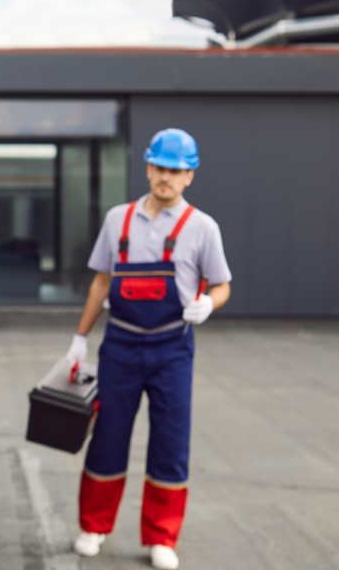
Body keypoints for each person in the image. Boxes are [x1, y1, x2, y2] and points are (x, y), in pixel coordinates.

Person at [65, 129, 232, 569]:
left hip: (172, 349)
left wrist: (207, 304)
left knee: (170, 442)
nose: (165, 177)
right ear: (147, 168)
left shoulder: (203, 228)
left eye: (175, 171)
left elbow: (223, 285)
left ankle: (162, 537)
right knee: (108, 437)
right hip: (119, 345)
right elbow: (102, 281)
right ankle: (94, 526)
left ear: (189, 175)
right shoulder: (118, 219)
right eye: (159, 168)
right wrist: (80, 338)